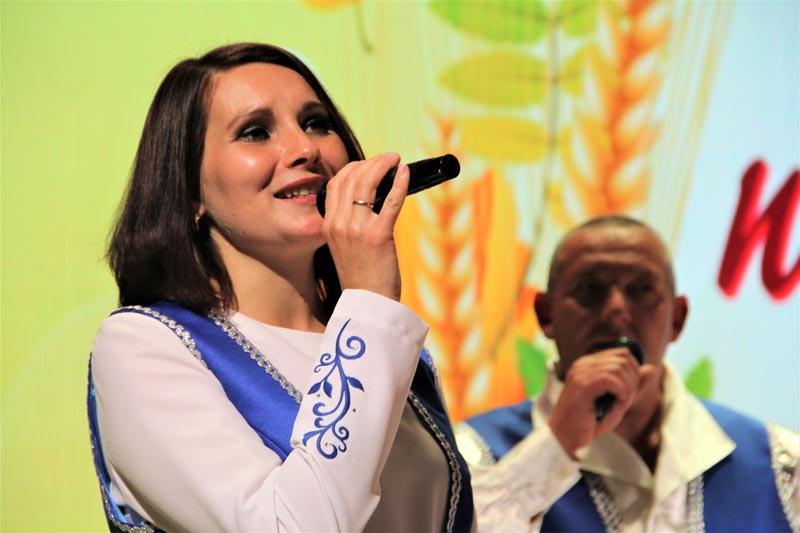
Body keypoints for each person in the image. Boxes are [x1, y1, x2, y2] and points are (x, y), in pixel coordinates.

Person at [87, 42, 473, 533]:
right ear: (189, 192)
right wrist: (369, 301)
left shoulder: (392, 352)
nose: (306, 149)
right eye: (255, 132)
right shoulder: (144, 344)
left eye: (316, 123)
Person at [456, 215, 799, 532]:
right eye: (589, 290)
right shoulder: (469, 457)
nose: (616, 309)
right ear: (546, 314)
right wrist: (556, 445)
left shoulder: (781, 464)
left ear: (677, 319)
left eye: (642, 290)